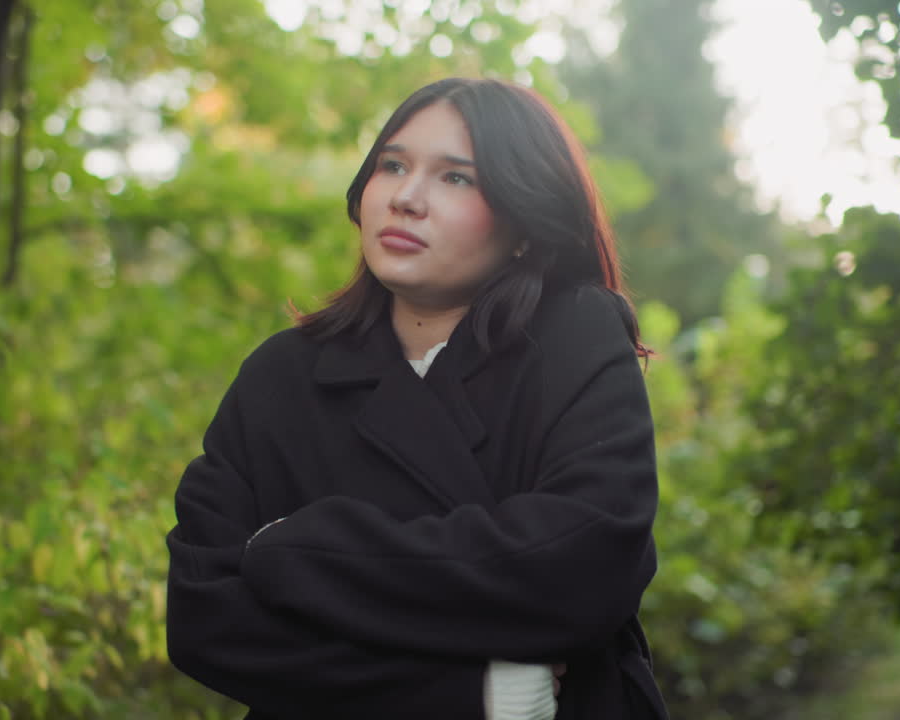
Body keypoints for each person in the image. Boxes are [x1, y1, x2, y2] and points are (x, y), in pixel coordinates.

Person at [165, 77, 668, 720]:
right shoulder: (281, 377)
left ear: (523, 223)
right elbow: (206, 620)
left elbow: (587, 562)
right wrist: (472, 694)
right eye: (392, 165)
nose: (406, 198)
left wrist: (294, 549)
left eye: (456, 178)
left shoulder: (577, 335)